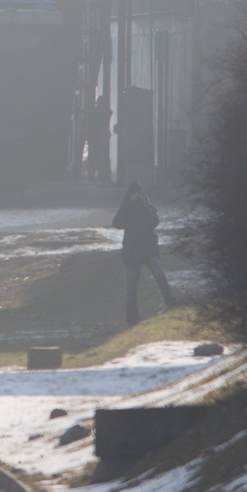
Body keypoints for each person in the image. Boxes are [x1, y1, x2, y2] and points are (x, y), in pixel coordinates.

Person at [112, 180, 175, 326]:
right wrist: (127, 204)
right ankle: (132, 317)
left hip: (145, 250)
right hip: (136, 251)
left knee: (158, 276)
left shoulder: (146, 205)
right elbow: (117, 223)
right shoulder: (127, 206)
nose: (135, 196)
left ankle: (170, 301)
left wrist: (142, 204)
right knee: (132, 286)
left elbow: (154, 221)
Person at [86, 94, 113, 184]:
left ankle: (94, 175)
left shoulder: (97, 112)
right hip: (98, 137)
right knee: (99, 156)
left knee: (95, 157)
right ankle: (98, 174)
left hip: (96, 137)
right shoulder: (103, 112)